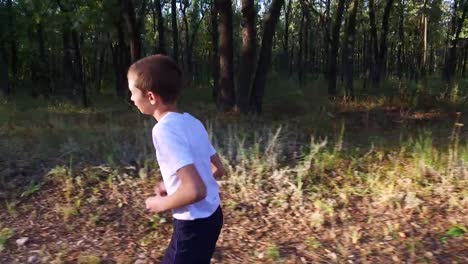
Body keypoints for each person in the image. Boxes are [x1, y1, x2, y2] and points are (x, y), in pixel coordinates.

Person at [127, 54, 225, 264]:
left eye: (132, 92)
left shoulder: (163, 130)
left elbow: (196, 190)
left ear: (151, 97)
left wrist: (160, 204)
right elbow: (217, 168)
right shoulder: (192, 122)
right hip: (214, 216)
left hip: (192, 226)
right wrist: (173, 185)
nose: (131, 99)